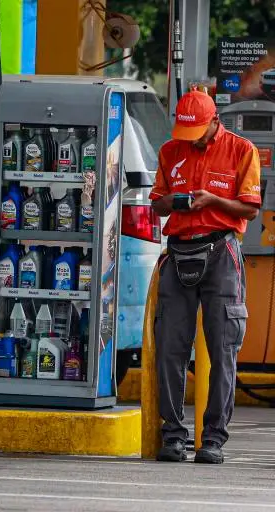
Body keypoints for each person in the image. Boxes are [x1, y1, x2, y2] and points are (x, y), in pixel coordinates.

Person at [149, 90, 261, 464]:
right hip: (178, 251)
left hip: (221, 253)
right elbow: (157, 202)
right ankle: (173, 435)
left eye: (197, 132)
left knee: (223, 349)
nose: (192, 139)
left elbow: (250, 208)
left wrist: (212, 200)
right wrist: (173, 202)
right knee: (170, 347)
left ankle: (213, 439)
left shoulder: (241, 150)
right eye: (186, 132)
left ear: (215, 121)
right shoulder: (170, 151)